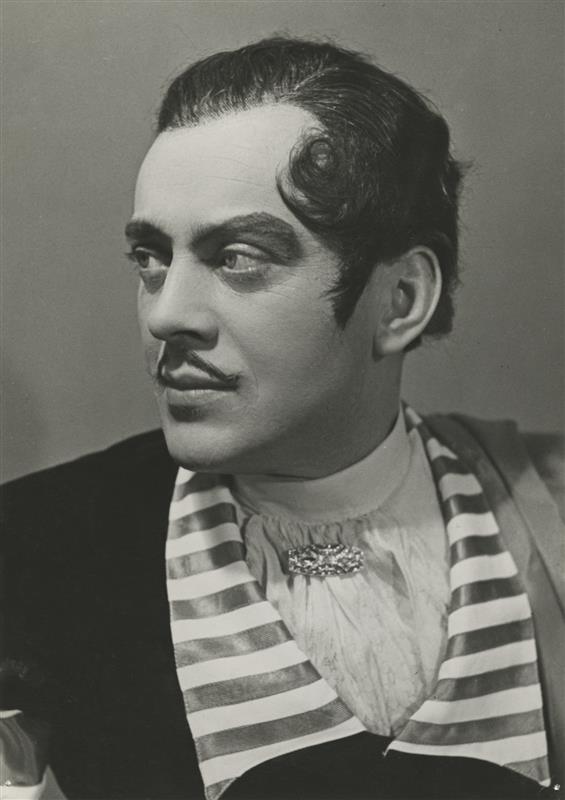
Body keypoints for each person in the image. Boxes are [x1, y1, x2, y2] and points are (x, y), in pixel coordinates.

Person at [1, 36, 563, 800]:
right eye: (151, 258)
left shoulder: (547, 508)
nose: (165, 315)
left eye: (237, 257)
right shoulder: (30, 554)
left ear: (399, 300)